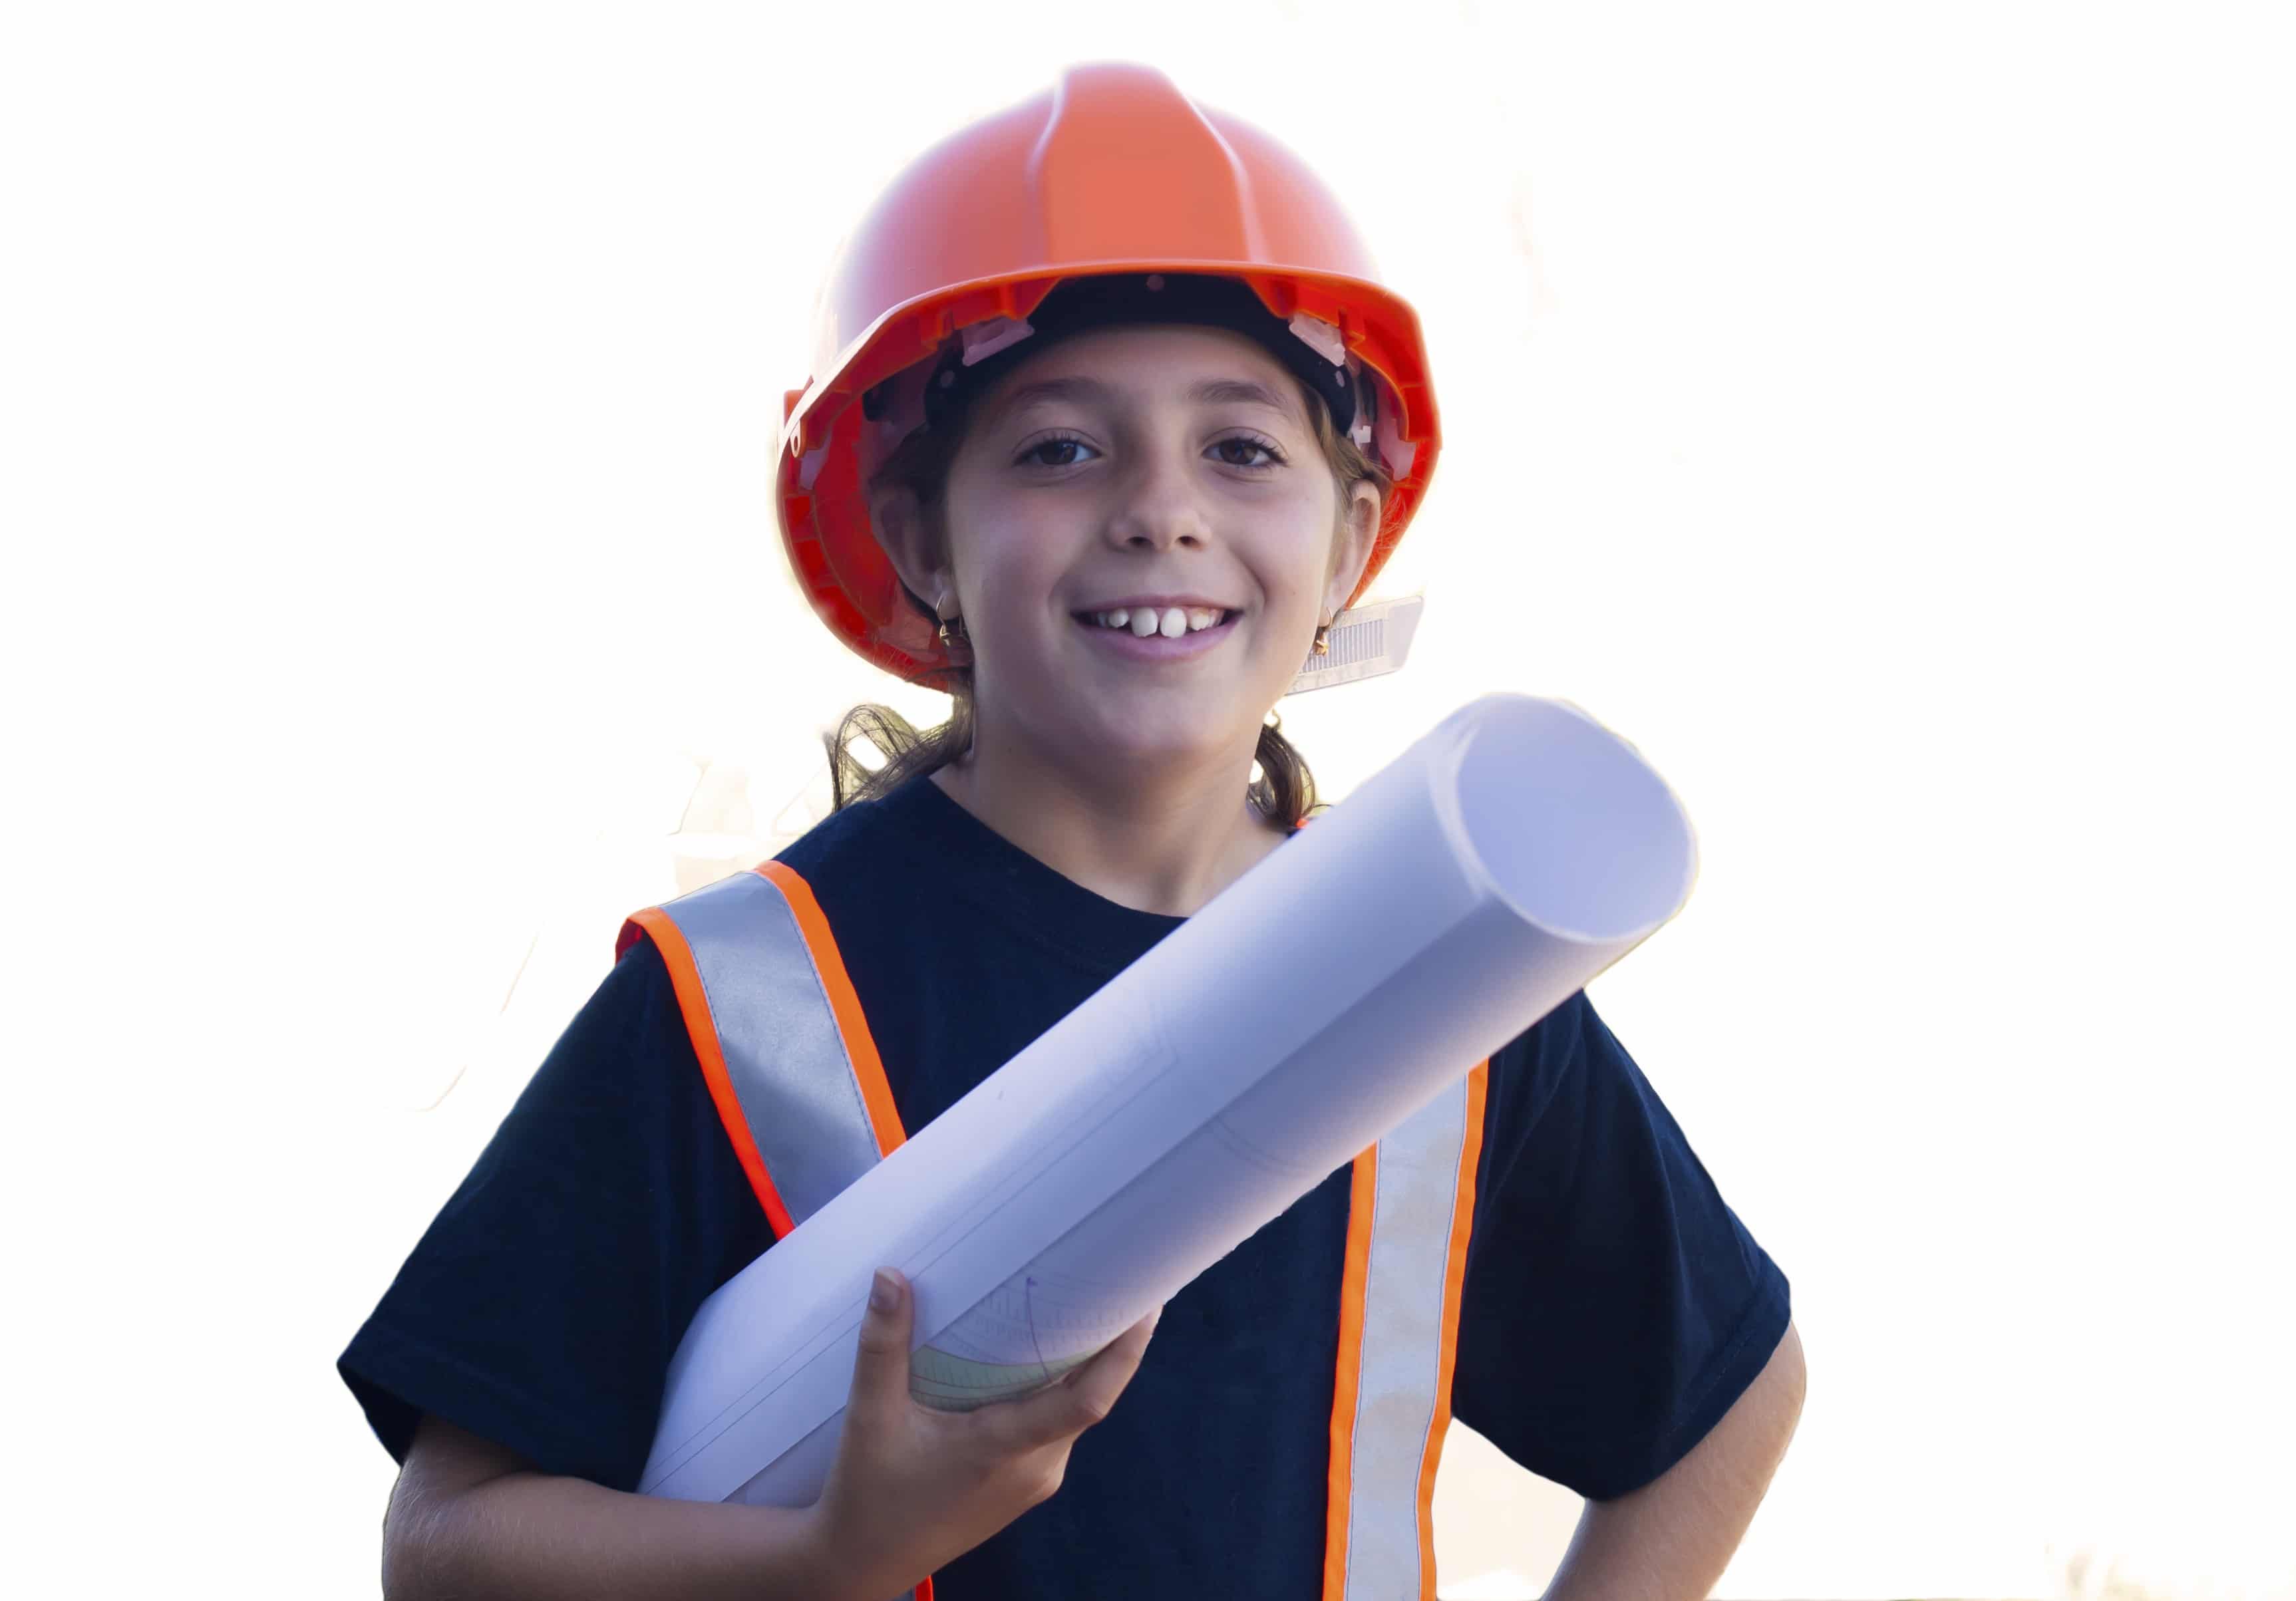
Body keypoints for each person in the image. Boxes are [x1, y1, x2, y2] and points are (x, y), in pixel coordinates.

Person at [339, 62, 1805, 1601]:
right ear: (922, 540)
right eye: (1059, 448)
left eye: (1241, 448)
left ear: (1351, 538)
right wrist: (834, 1554)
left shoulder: (1444, 981)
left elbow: (1728, 1400)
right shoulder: (748, 999)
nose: (1159, 510)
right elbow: (449, 1547)